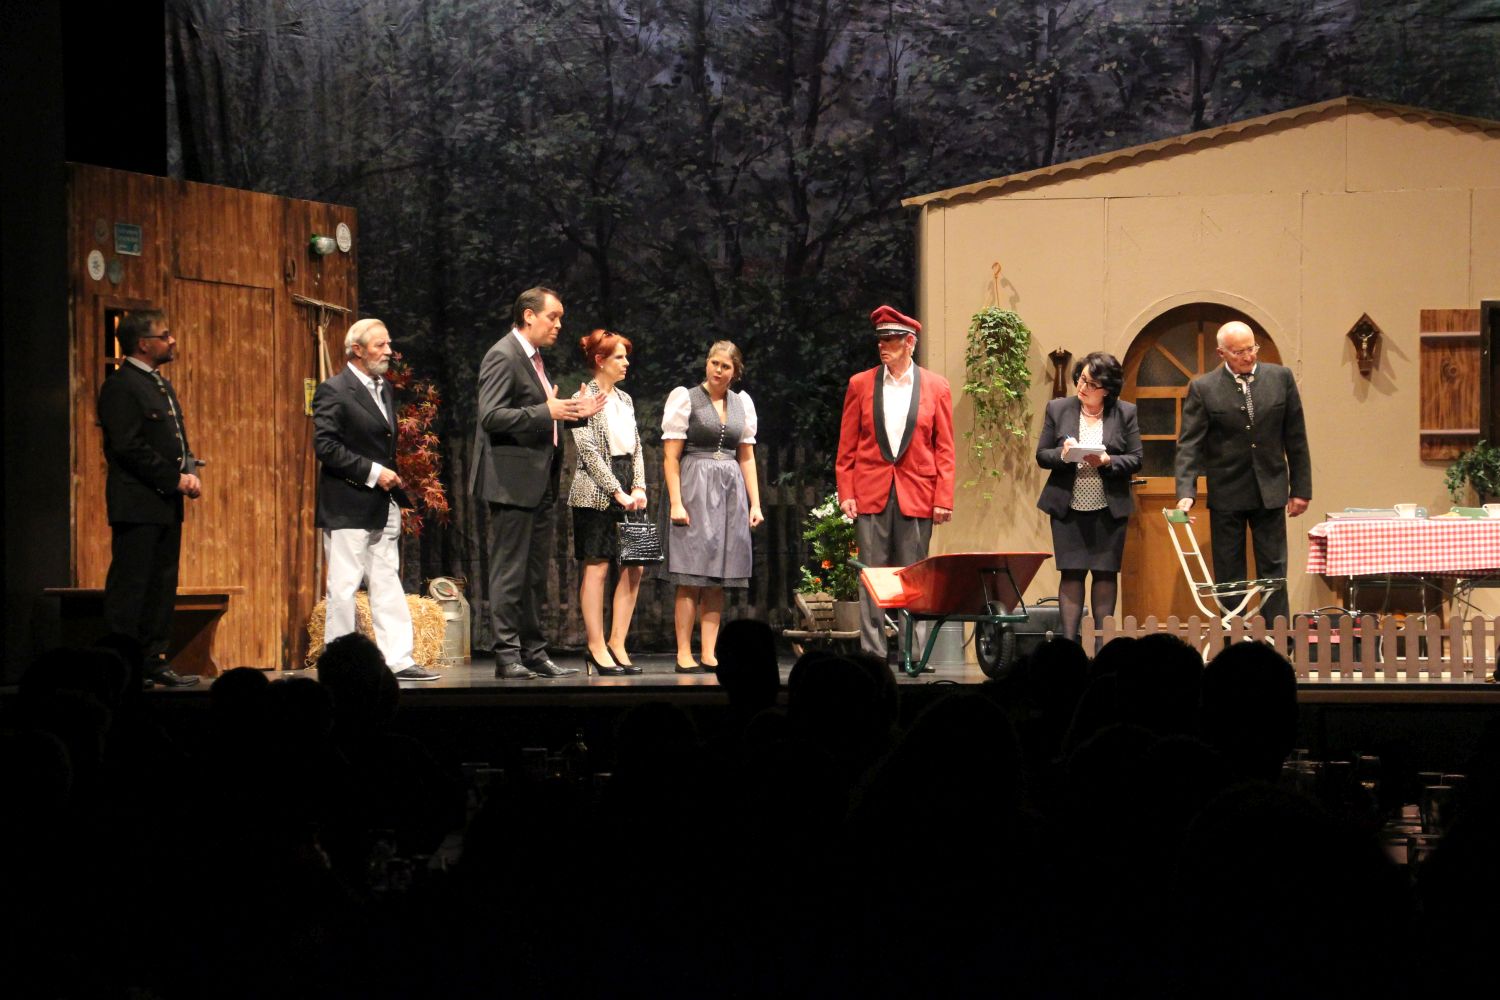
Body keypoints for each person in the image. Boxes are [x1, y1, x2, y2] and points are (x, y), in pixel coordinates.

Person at [470, 287, 604, 679]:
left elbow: (543, 414)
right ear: (529, 315)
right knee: (510, 571)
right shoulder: (503, 355)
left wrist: (573, 412)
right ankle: (507, 654)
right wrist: (547, 410)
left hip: (538, 478)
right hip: (512, 480)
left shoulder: (534, 359)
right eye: (553, 317)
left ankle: (533, 651)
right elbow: (491, 416)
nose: (559, 325)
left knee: (533, 574)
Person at [312, 318, 438, 682]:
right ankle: (338, 666)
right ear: (356, 350)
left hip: (382, 503)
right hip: (348, 502)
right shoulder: (334, 390)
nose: (388, 352)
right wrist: (373, 472)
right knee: (344, 586)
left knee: (386, 581)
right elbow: (326, 447)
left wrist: (387, 482)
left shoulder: (384, 389)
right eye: (380, 345)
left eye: (388, 344)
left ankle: (398, 660)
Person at [835, 305, 956, 661]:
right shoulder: (861, 384)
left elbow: (945, 448)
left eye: (890, 339)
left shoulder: (936, 386)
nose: (882, 346)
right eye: (880, 339)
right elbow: (847, 445)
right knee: (872, 577)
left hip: (917, 493)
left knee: (914, 576)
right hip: (871, 491)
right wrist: (847, 492)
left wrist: (943, 497)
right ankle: (873, 654)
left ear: (910, 343)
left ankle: (912, 653)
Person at [1175, 320, 1311, 626]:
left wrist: (1301, 489)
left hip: (1270, 489)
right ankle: (1233, 638)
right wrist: (1186, 492)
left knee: (1274, 571)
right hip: (1227, 492)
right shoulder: (1204, 388)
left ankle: (1278, 639)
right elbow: (1189, 446)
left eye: (1251, 349)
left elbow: (1296, 437)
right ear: (1221, 353)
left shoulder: (1281, 378)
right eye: (1239, 352)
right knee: (1229, 574)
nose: (1248, 356)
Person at [97, 309, 202, 688]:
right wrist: (174, 479)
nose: (172, 341)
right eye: (165, 335)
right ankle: (123, 666)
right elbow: (128, 447)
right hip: (137, 504)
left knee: (162, 584)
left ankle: (153, 659)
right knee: (132, 587)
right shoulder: (121, 386)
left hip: (165, 504)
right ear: (144, 344)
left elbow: (172, 439)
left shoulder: (159, 385)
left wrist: (189, 469)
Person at [661, 341, 764, 673]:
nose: (718, 370)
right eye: (714, 363)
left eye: (725, 366)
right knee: (690, 574)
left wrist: (755, 503)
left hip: (730, 490)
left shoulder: (741, 404)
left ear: (735, 371)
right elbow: (671, 457)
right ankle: (683, 652)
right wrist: (676, 502)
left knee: (718, 577)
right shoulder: (686, 398)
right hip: (695, 486)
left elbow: (747, 457)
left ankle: (708, 652)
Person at [1035, 352, 1142, 643]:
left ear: (1107, 389)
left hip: (1109, 509)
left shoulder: (1125, 412)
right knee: (1071, 574)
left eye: (1092, 384)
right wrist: (1063, 455)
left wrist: (1108, 461)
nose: (1083, 387)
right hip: (1068, 508)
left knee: (1105, 575)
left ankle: (1101, 646)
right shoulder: (1058, 408)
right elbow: (1042, 455)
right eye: (1082, 379)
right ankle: (1069, 646)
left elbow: (1136, 458)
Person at [567, 329, 647, 676]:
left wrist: (639, 485)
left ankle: (617, 642)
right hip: (596, 491)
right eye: (619, 357)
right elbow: (587, 452)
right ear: (600, 360)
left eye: (626, 356)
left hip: (629, 487)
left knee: (635, 565)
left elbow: (637, 445)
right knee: (597, 566)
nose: (626, 362)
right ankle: (596, 646)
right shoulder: (581, 396)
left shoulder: (625, 399)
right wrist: (617, 490)